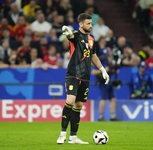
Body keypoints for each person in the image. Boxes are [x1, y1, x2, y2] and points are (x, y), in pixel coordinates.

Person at [56, 13, 109, 144]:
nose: (90, 26)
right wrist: (67, 31)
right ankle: (62, 134)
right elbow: (70, 36)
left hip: (85, 76)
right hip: (73, 74)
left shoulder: (91, 38)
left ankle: (73, 137)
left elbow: (93, 56)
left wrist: (102, 70)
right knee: (70, 100)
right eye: (88, 23)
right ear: (81, 24)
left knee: (78, 105)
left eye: (91, 23)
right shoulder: (75, 35)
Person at [91, 38, 120, 121]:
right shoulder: (99, 61)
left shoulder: (108, 61)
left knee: (113, 98)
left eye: (107, 55)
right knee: (104, 98)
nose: (106, 56)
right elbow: (93, 72)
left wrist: (114, 71)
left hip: (109, 81)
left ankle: (112, 116)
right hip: (102, 82)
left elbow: (109, 71)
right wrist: (103, 69)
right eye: (105, 55)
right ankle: (100, 117)